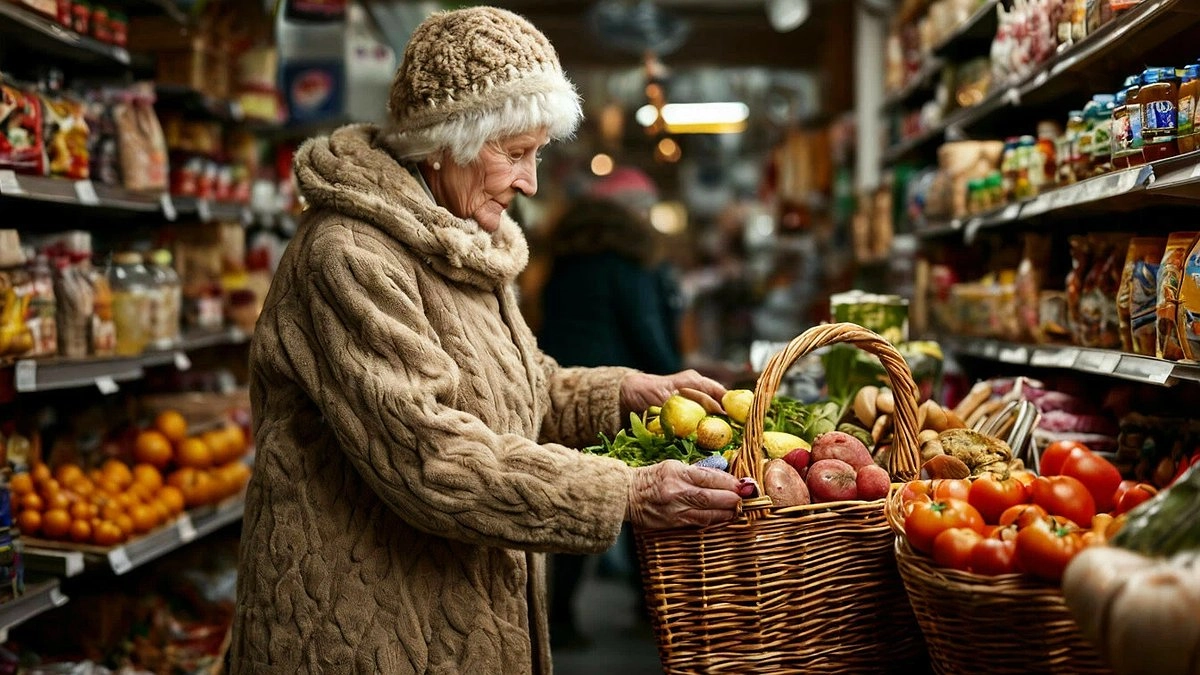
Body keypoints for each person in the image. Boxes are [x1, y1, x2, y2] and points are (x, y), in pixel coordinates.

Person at [229, 7, 743, 675]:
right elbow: (432, 455)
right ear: (446, 139)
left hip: (457, 614)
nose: (530, 181)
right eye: (515, 152)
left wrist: (624, 391)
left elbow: (519, 387)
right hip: (363, 632)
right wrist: (624, 490)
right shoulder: (349, 255)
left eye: (537, 153)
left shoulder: (463, 237)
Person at [538, 193, 685, 648]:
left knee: (575, 500)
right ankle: (652, 608)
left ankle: (558, 618)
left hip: (563, 392)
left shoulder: (562, 267)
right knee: (644, 500)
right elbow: (647, 332)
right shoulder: (629, 266)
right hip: (617, 395)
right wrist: (681, 382)